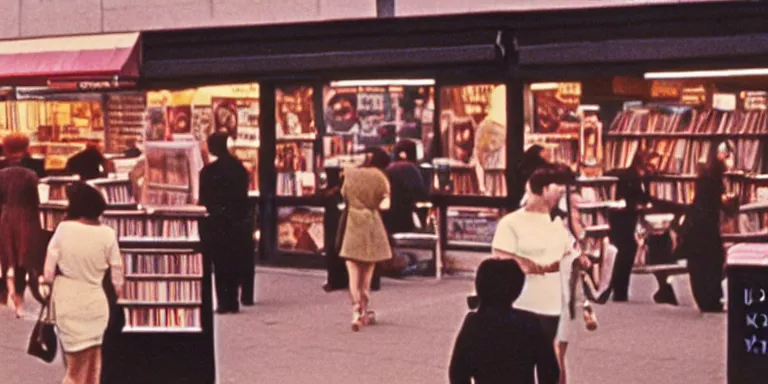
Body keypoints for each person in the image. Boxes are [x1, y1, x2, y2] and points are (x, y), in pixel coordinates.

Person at [491, 165, 573, 383]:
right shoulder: (511, 223)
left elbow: (568, 253)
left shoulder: (558, 222)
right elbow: (500, 258)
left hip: (553, 304)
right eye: (558, 191)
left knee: (551, 365)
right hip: (521, 304)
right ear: (544, 189)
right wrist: (532, 265)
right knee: (519, 365)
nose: (560, 197)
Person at [42, 182, 124, 384]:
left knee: (74, 365)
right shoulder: (108, 234)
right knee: (93, 364)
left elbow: (48, 273)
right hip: (95, 303)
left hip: (68, 300)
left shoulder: (63, 229)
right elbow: (117, 277)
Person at [449, 258, 559, 384]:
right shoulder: (530, 323)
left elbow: (457, 372)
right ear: (516, 289)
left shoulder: (474, 323)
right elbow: (549, 371)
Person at [674, 141, 736, 313]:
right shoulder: (715, 182)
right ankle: (712, 300)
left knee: (700, 267)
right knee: (712, 264)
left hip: (697, 230)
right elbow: (724, 208)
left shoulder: (704, 181)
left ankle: (705, 300)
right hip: (707, 230)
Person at [199, 132, 254, 314]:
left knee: (220, 263)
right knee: (234, 260)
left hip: (217, 221)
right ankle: (234, 300)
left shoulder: (208, 172)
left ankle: (224, 302)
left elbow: (204, 198)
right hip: (237, 221)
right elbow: (243, 194)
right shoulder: (239, 168)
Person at [338, 147, 392, 331]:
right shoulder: (380, 177)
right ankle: (365, 307)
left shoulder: (350, 175)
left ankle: (355, 310)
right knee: (367, 272)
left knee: (353, 271)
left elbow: (344, 195)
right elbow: (385, 204)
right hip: (371, 225)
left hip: (353, 224)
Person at [0, 133, 45, 317]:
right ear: (26, 148)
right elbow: (36, 201)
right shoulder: (31, 174)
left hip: (4, 218)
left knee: (5, 256)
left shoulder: (1, 174)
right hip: (26, 219)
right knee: (23, 258)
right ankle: (19, 296)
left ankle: (4, 296)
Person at [606, 150, 654, 302]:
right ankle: (619, 291)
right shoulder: (629, 177)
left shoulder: (640, 178)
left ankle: (620, 290)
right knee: (624, 253)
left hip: (628, 219)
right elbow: (630, 196)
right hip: (621, 220)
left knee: (626, 253)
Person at [381, 139, 428, 235]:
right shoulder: (412, 170)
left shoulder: (388, 170)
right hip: (406, 218)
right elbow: (420, 195)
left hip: (388, 219)